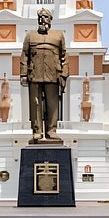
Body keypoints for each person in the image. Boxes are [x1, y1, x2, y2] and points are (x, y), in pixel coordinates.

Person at [20, 8, 69, 142]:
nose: (43, 19)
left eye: (46, 17)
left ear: (50, 20)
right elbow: (25, 55)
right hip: (34, 74)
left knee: (52, 104)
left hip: (53, 74)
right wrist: (23, 74)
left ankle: (51, 131)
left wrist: (64, 74)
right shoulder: (30, 36)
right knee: (35, 104)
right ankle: (37, 131)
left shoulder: (58, 36)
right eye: (40, 17)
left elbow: (64, 56)